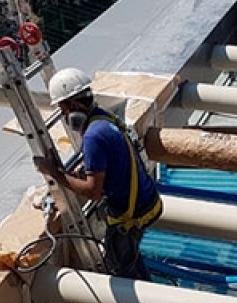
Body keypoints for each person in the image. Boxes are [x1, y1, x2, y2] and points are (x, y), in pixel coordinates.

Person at [34, 67, 162, 280]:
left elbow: (93, 192)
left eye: (64, 109)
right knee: (128, 258)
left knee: (120, 273)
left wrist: (54, 173)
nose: (65, 115)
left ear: (74, 105)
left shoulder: (93, 136)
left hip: (132, 214)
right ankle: (146, 287)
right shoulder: (103, 117)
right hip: (146, 199)